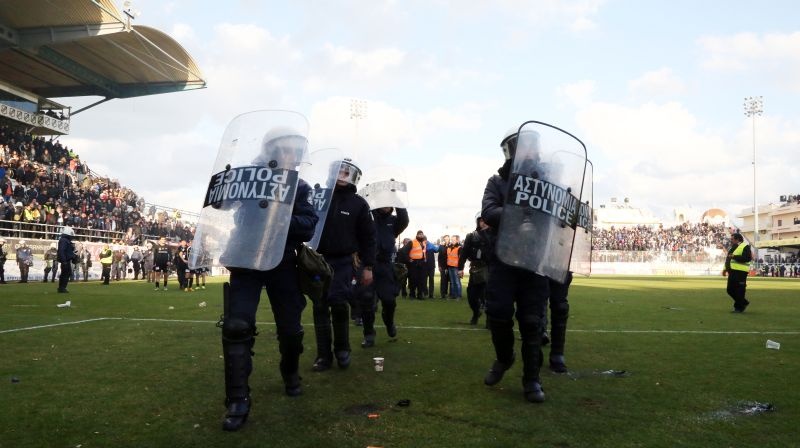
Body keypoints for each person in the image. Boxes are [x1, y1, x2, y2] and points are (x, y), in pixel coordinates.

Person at [217, 125, 318, 431]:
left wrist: (282, 214)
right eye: (285, 149)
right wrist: (224, 185)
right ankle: (237, 399)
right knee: (236, 326)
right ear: (271, 151)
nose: (291, 155)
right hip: (245, 258)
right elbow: (222, 204)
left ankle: (290, 372)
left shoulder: (300, 187)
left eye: (295, 151)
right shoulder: (248, 176)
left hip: (283, 261)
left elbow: (308, 226)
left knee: (291, 329)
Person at [480, 127, 550, 403]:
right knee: (497, 314)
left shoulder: (548, 180)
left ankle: (532, 379)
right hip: (504, 258)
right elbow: (488, 211)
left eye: (533, 146)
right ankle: (504, 357)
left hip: (534, 260)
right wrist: (518, 212)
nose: (529, 151)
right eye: (523, 146)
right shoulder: (497, 182)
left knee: (533, 322)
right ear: (512, 151)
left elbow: (559, 214)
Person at [312, 158, 376, 372]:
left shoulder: (358, 203)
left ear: (353, 177)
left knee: (339, 304)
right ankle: (323, 356)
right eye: (339, 171)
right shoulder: (318, 197)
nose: (342, 175)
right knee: (319, 306)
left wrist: (368, 266)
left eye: (346, 173)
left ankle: (342, 349)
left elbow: (369, 237)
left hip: (343, 261)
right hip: (317, 260)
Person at [359, 206, 409, 348]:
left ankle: (389, 322)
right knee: (367, 301)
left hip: (386, 267)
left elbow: (404, 220)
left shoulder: (394, 222)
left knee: (389, 301)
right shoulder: (368, 218)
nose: (386, 206)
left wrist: (398, 200)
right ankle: (369, 335)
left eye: (389, 203)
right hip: (368, 265)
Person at [458, 214, 491, 325]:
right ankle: (476, 313)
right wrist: (460, 268)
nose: (484, 222)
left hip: (490, 269)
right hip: (476, 269)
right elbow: (464, 253)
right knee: (471, 295)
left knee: (489, 296)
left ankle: (489, 320)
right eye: (481, 220)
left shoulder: (495, 235)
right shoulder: (471, 236)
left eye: (486, 220)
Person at [545, 273, 572, 373]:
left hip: (560, 264)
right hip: (535, 264)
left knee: (560, 307)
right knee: (533, 310)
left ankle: (557, 353)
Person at [725, 233, 752, 313]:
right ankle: (743, 302)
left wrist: (734, 257)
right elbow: (728, 259)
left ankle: (739, 308)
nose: (731, 240)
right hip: (732, 271)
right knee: (730, 290)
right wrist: (725, 269)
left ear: (737, 239)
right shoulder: (732, 247)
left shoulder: (745, 246)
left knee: (739, 290)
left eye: (732, 239)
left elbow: (747, 258)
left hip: (741, 272)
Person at [56, 226, 77, 293]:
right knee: (65, 274)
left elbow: (66, 251)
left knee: (66, 274)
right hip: (65, 261)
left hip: (66, 260)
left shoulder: (64, 240)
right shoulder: (64, 240)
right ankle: (62, 288)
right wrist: (64, 261)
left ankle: (62, 288)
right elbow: (61, 251)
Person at [446, 235, 462, 299]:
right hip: (450, 266)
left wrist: (461, 269)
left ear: (457, 240)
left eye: (454, 240)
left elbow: (461, 259)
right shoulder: (449, 247)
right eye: (452, 240)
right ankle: (453, 295)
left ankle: (459, 295)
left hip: (456, 267)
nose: (452, 241)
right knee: (452, 282)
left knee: (457, 282)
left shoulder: (459, 248)